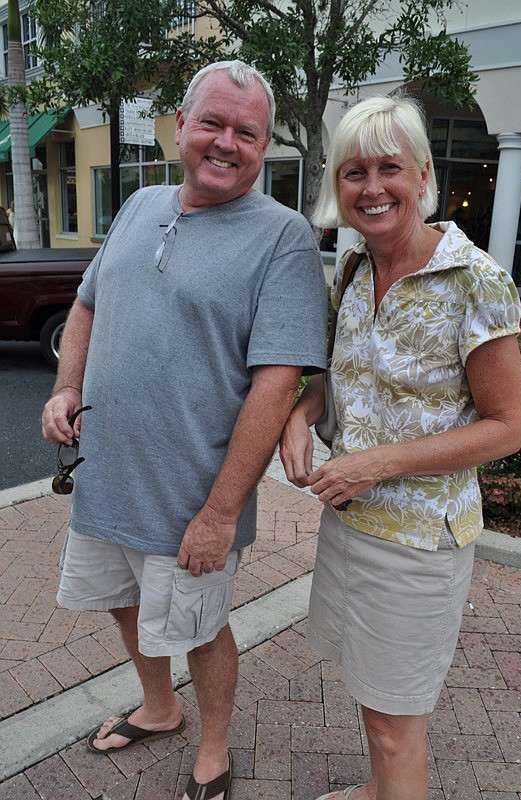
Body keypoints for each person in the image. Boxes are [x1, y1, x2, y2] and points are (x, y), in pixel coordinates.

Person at [42, 60, 327, 800]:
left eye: (247, 132)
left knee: (201, 628)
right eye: (213, 123)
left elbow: (275, 384)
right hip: (105, 476)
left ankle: (212, 741)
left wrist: (221, 512)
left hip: (191, 498)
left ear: (265, 146)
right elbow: (87, 306)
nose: (227, 143)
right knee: (122, 600)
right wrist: (67, 385)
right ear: (179, 123)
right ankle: (160, 706)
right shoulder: (138, 205)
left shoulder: (282, 238)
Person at [279, 93, 521, 800]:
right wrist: (299, 417)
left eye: (389, 167)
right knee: (371, 694)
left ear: (422, 175)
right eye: (353, 171)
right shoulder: (354, 268)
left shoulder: (472, 278)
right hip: (349, 525)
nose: (371, 186)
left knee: (397, 725)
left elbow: (508, 425)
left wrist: (374, 464)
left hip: (419, 545)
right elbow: (341, 380)